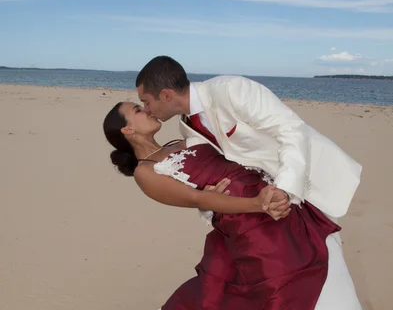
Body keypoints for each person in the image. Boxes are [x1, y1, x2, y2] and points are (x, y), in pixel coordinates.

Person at [77, 102, 380, 310]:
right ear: (128, 129)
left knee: (325, 264)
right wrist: (256, 204)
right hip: (250, 221)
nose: (147, 108)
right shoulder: (147, 172)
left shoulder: (179, 141)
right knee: (287, 287)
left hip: (276, 203)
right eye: (138, 109)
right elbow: (197, 199)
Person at [135, 56, 362, 222]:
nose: (147, 109)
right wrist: (210, 200)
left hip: (310, 178)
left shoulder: (231, 89)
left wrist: (283, 188)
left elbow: (291, 129)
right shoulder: (186, 126)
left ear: (166, 95)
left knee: (327, 262)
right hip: (270, 202)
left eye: (146, 102)